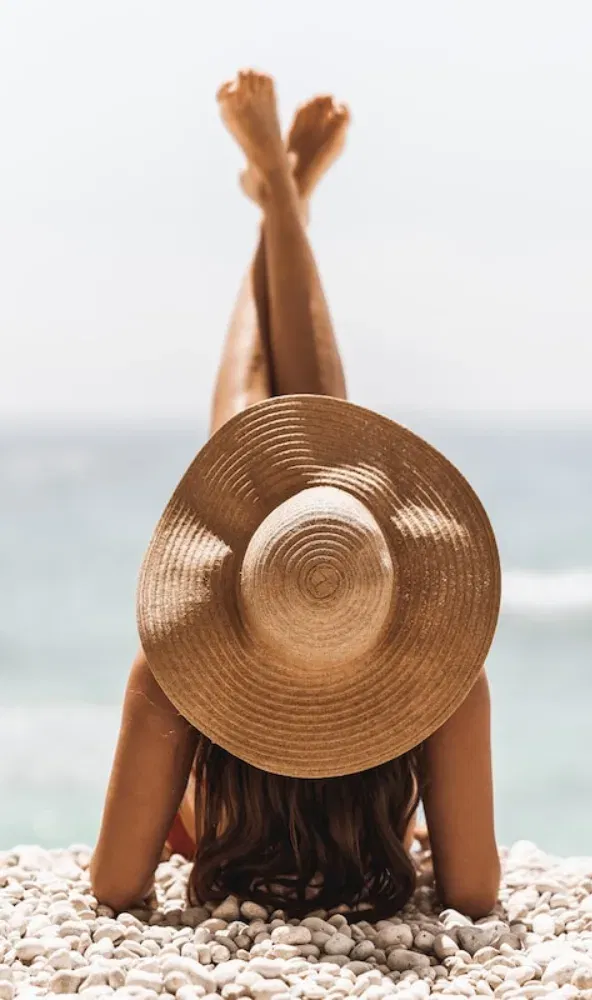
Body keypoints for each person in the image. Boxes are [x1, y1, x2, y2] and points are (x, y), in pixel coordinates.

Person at [91, 70, 501, 922]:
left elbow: (115, 887)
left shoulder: (172, 668)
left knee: (256, 453)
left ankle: (280, 194)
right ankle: (283, 197)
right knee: (307, 467)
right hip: (375, 834)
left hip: (219, 823)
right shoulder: (445, 674)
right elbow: (472, 892)